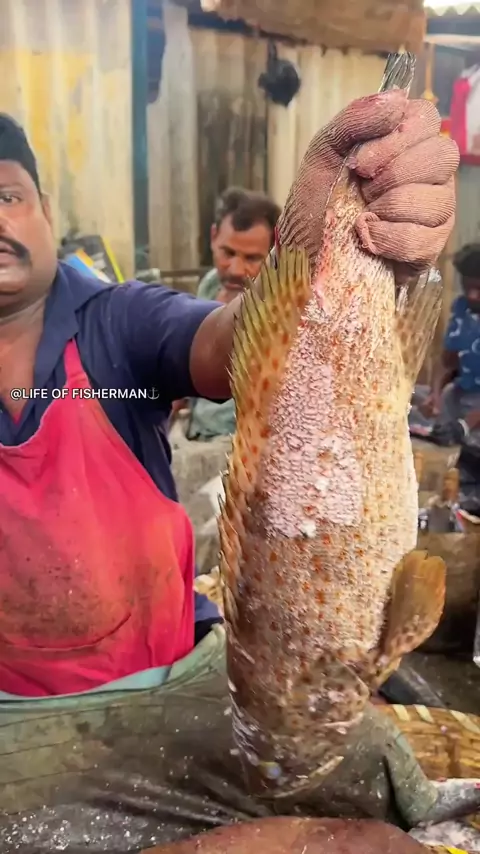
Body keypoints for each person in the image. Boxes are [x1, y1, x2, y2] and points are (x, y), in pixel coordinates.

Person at [0, 95, 464, 853]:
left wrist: (312, 247)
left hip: (176, 679)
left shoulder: (117, 322)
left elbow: (227, 342)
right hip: (12, 718)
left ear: (45, 209)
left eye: (6, 196)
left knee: (366, 765)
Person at [182, 187, 280, 440]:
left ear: (273, 253)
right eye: (228, 253)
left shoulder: (282, 308)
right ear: (213, 237)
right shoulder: (210, 285)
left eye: (252, 258)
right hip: (195, 433)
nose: (236, 269)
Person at [420, 243, 480, 446]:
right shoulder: (462, 309)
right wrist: (435, 393)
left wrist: (465, 425)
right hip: (461, 393)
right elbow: (448, 361)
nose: (472, 295)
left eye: (479, 289)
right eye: (467, 287)